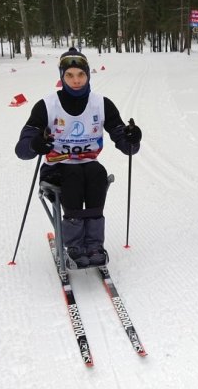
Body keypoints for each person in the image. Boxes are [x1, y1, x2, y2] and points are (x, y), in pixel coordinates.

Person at [15, 47, 142, 268]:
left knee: (96, 172)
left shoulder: (102, 104)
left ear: (88, 75)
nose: (76, 80)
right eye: (70, 75)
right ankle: (74, 245)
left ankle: (93, 244)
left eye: (81, 74)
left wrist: (132, 138)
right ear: (62, 77)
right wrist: (35, 144)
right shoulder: (46, 105)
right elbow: (22, 150)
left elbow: (126, 145)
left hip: (88, 164)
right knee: (73, 174)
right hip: (57, 166)